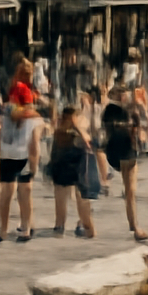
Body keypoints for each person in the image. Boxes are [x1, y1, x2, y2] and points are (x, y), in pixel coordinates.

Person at [0, 60, 40, 243]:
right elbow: (25, 113)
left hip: (10, 148)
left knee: (9, 192)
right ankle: (25, 228)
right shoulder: (23, 89)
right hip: (20, 148)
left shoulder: (14, 87)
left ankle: (4, 231)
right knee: (23, 190)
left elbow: (15, 112)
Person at [102, 86, 147, 239]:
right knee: (130, 192)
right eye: (119, 93)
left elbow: (141, 126)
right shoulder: (110, 110)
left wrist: (141, 111)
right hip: (118, 150)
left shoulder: (130, 108)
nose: (123, 95)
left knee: (131, 192)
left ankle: (134, 225)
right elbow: (110, 127)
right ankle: (134, 226)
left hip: (129, 148)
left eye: (124, 93)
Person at [48, 99, 96, 238]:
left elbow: (87, 142)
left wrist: (77, 128)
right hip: (66, 167)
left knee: (74, 198)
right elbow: (87, 143)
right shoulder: (61, 131)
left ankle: (78, 226)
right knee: (65, 198)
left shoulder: (69, 132)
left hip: (72, 168)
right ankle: (62, 226)